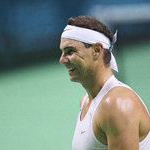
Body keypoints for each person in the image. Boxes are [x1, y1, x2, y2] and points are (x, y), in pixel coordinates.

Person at [59, 15, 150, 150]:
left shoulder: (116, 105)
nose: (62, 60)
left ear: (96, 50)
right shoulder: (85, 101)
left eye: (70, 51)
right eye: (62, 52)